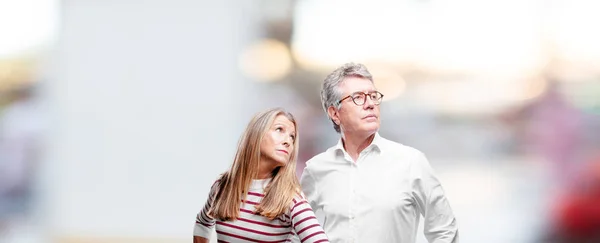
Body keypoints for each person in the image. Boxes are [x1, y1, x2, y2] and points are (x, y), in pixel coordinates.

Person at [299, 63, 459, 243]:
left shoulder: (411, 162)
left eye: (373, 96)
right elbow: (294, 232)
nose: (370, 104)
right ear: (335, 113)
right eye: (358, 97)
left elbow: (444, 231)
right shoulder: (316, 169)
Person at [193, 108, 329, 243]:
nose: (288, 141)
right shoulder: (222, 186)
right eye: (279, 129)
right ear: (256, 134)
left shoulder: (291, 198)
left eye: (292, 137)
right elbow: (202, 222)